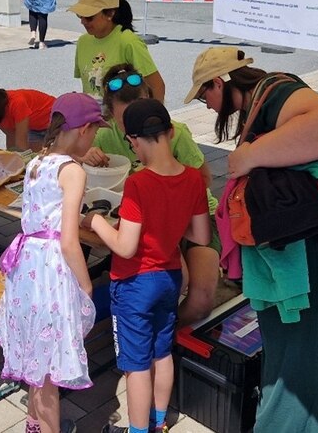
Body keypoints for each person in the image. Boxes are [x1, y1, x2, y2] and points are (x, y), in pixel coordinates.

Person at [185, 46, 318, 433]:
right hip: (305, 247)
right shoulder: (258, 104)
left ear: (219, 82)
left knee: (304, 366)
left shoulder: (275, 89)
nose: (206, 104)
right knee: (296, 362)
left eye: (204, 95)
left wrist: (247, 157)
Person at [82, 99, 210, 433]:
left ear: (134, 140)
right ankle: (159, 421)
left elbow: (125, 246)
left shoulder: (138, 183)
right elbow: (200, 234)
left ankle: (138, 430)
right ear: (170, 132)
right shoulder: (194, 178)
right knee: (161, 352)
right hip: (169, 278)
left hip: (135, 283)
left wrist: (95, 221)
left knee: (136, 365)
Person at [0, 92, 104, 433]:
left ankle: (33, 424)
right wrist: (85, 284)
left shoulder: (38, 161)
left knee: (34, 349)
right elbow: (70, 239)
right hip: (52, 269)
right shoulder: (73, 171)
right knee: (51, 364)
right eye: (95, 131)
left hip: (26, 264)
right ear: (84, 129)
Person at [80, 63, 221, 327]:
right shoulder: (105, 134)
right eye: (128, 121)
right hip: (147, 223)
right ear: (111, 117)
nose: (139, 126)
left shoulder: (177, 135)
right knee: (174, 281)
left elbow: (204, 180)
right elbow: (67, 161)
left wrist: (169, 220)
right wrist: (82, 155)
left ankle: (161, 332)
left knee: (200, 301)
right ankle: (158, 338)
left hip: (192, 217)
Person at [70, 0, 164, 102]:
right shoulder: (83, 42)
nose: (82, 21)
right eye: (80, 15)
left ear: (110, 13)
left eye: (89, 17)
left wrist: (153, 118)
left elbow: (157, 86)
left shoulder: (128, 41)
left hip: (124, 120)